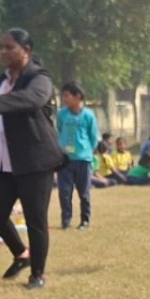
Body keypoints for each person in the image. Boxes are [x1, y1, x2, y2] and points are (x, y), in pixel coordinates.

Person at [0, 29, 63, 290]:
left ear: (26, 50)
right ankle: (21, 254)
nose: (3, 52)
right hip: (2, 161)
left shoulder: (39, 77)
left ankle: (37, 274)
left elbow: (31, 100)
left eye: (9, 47)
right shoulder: (3, 80)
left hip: (34, 161)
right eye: (1, 47)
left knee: (35, 219)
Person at [56, 81, 98, 229]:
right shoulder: (61, 114)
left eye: (67, 96)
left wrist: (86, 151)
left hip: (83, 159)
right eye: (63, 96)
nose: (65, 99)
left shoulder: (88, 115)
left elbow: (93, 137)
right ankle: (66, 220)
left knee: (84, 192)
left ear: (78, 96)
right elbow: (59, 130)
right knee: (65, 192)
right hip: (65, 159)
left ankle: (85, 220)